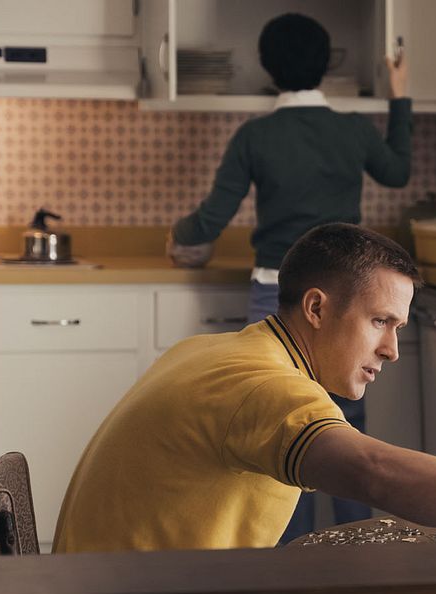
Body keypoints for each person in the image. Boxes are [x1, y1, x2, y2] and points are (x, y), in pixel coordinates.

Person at [52, 225, 436, 552]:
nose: (392, 349)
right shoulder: (264, 386)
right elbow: (374, 473)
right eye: (380, 322)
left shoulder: (211, 351)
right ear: (316, 308)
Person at [167, 13, 413, 541]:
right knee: (346, 432)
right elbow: (398, 171)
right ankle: (358, 549)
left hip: (276, 296)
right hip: (349, 298)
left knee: (282, 435)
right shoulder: (351, 131)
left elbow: (209, 220)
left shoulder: (256, 136)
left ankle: (287, 554)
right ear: (327, 66)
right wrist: (399, 95)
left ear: (267, 68)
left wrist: (177, 234)